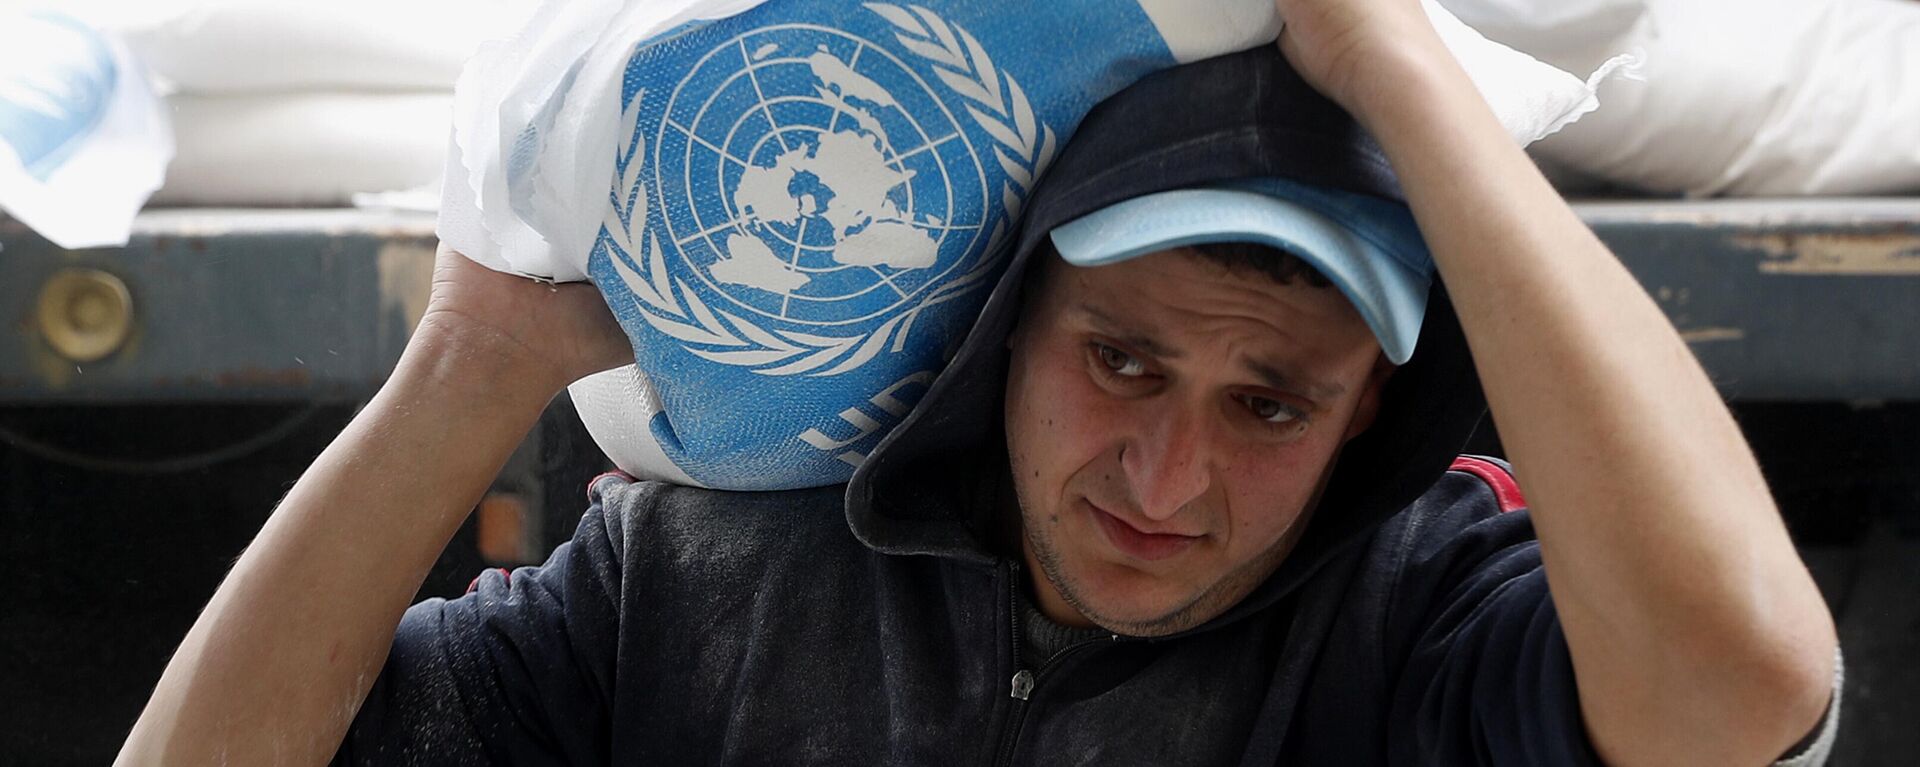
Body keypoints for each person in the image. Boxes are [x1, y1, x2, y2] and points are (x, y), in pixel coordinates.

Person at [119, 0, 1840, 764]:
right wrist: (469, 368)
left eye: (1270, 403)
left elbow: (1744, 688)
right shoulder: (700, 584)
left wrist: (1388, 60)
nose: (1164, 482)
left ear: (1370, 409)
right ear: (1006, 325)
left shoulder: (1427, 631)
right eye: (1121, 360)